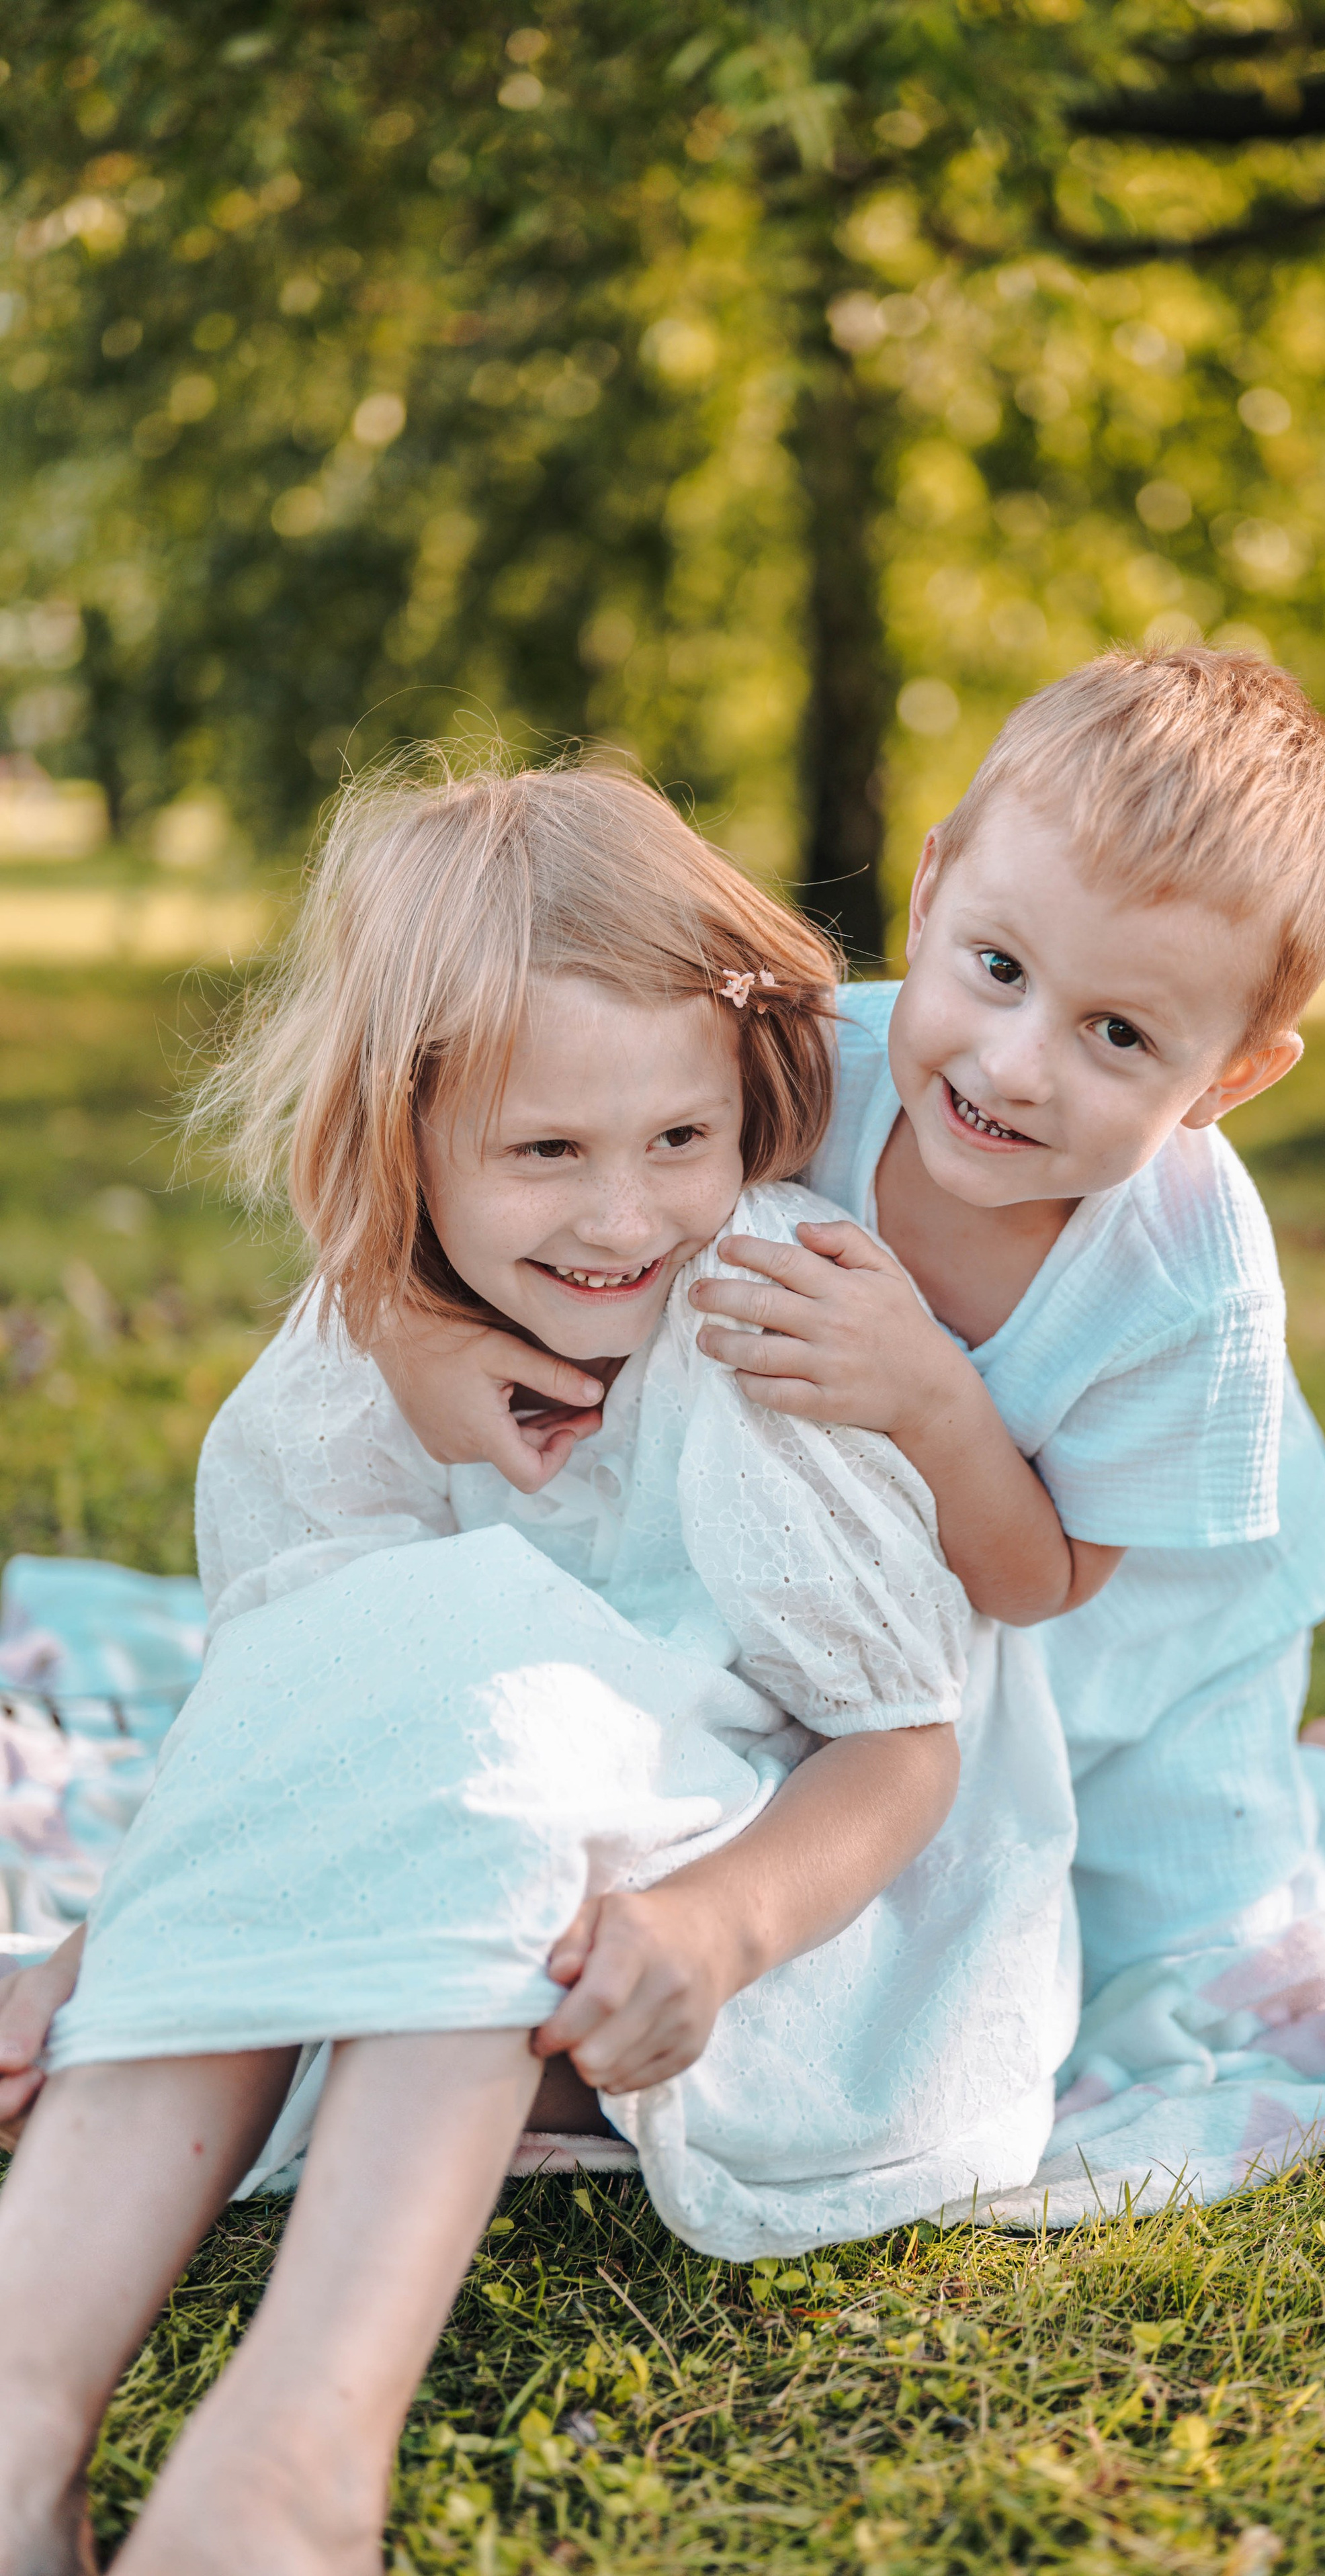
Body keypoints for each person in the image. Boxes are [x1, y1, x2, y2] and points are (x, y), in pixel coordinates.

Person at [0, 763, 1076, 2576]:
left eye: (681, 1138)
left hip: (770, 1941)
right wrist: (110, 1960)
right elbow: (282, 1736)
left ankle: (291, 2455)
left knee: (486, 1687)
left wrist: (720, 1929)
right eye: (546, 1152)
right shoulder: (355, 1357)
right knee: (402, 1666)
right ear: (405, 1140)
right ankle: (23, 2413)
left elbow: (906, 1744)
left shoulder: (756, 1320)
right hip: (461, 1917)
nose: (623, 1218)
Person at [362, 650, 1325, 2023]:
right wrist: (413, 1325)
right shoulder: (811, 1068)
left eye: (1117, 1034)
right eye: (996, 966)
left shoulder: (1189, 1281)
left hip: (1139, 1623)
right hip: (878, 1596)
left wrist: (931, 1398)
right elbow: (575, 1208)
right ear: (929, 887)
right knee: (885, 1886)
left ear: (1229, 1076)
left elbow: (1043, 1582)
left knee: (1192, 1968)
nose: (1013, 1063)